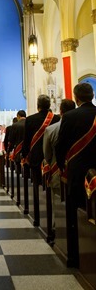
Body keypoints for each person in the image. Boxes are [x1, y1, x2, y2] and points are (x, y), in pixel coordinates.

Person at [55, 83, 96, 267]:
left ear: (76, 98)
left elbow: (60, 145)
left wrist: (62, 165)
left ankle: (75, 256)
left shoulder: (70, 116)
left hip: (77, 171)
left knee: (75, 208)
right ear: (92, 95)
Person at [22, 94, 60, 226]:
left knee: (38, 186)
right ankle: (55, 218)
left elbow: (26, 141)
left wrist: (25, 155)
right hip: (53, 161)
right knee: (53, 189)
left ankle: (38, 217)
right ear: (49, 105)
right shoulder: (57, 118)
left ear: (38, 106)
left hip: (36, 159)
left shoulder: (31, 119)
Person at [43, 99, 75, 243]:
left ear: (60, 111)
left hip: (58, 172)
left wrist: (53, 164)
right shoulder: (85, 125)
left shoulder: (51, 129)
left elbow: (47, 155)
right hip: (79, 172)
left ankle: (58, 232)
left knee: (57, 201)